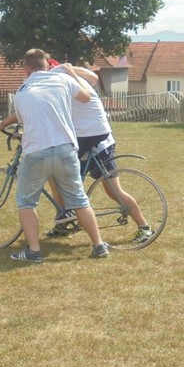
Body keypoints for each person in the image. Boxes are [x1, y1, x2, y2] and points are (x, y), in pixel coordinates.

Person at [0, 49, 109, 262]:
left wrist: (2, 124)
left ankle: (34, 251)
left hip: (37, 150)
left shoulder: (22, 92)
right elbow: (86, 97)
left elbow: (26, 119)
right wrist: (72, 74)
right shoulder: (62, 80)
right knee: (79, 200)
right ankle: (99, 245)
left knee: (26, 202)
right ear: (47, 65)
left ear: (26, 70)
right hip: (65, 148)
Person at [47, 63, 155, 243]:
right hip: (83, 137)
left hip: (97, 142)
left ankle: (144, 227)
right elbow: (94, 78)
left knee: (113, 191)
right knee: (57, 176)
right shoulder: (64, 78)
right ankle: (65, 221)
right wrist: (70, 69)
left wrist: (69, 70)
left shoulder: (58, 80)